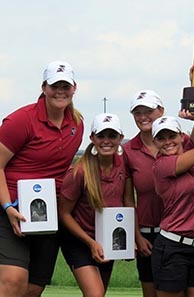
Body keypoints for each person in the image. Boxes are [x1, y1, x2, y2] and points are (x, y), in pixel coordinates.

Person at [0, 60, 84, 297]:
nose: (60, 91)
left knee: (34, 287)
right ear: (44, 87)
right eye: (54, 85)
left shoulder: (77, 125)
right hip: (11, 209)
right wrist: (7, 206)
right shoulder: (21, 120)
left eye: (65, 86)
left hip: (47, 215)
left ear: (74, 88)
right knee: (14, 279)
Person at [58, 113, 134, 297]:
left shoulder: (123, 165)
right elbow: (64, 214)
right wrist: (91, 242)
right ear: (92, 138)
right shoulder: (79, 172)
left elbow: (127, 203)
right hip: (79, 241)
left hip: (108, 240)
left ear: (120, 138)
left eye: (112, 135)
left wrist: (129, 241)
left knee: (100, 293)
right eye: (101, 136)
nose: (106, 141)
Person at [151, 115, 194, 297]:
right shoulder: (162, 165)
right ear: (155, 142)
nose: (167, 142)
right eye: (161, 138)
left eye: (172, 136)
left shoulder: (187, 154)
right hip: (172, 247)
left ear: (181, 136)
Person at [122, 90, 166, 297]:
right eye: (137, 113)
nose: (142, 117)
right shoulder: (128, 150)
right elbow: (128, 199)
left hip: (178, 232)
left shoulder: (179, 140)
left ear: (161, 111)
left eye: (148, 111)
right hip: (148, 234)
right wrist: (137, 236)